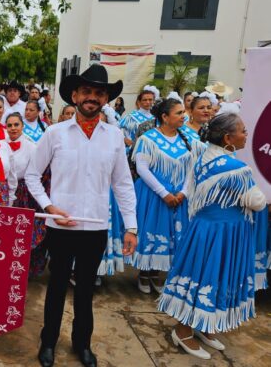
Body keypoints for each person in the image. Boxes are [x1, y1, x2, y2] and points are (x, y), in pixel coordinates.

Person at [25, 64, 137, 367]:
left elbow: (123, 184)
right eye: (86, 91)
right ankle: (48, 342)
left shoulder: (114, 137)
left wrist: (132, 227)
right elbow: (32, 175)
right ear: (74, 95)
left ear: (105, 100)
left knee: (86, 291)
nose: (92, 97)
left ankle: (82, 344)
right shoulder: (55, 133)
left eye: (99, 93)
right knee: (57, 287)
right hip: (61, 226)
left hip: (95, 227)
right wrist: (48, 207)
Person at [157, 113, 266, 360]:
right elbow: (257, 202)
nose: (246, 134)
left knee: (204, 275)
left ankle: (205, 325)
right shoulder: (237, 168)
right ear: (228, 138)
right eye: (243, 130)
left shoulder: (205, 158)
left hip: (204, 229)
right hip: (224, 232)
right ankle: (183, 331)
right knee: (210, 276)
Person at [129, 98, 195, 294]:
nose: (184, 116)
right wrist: (164, 193)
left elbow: (192, 169)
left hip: (178, 197)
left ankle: (158, 273)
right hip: (153, 195)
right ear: (165, 117)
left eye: (184, 112)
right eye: (178, 113)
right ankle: (144, 272)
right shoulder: (148, 139)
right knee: (151, 230)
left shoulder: (188, 140)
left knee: (171, 235)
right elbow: (142, 169)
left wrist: (183, 192)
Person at [5, 112, 47, 276]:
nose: (13, 128)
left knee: (25, 231)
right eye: (10, 125)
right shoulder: (1, 145)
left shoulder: (31, 146)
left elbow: (36, 172)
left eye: (16, 124)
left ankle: (26, 269)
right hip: (7, 189)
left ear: (22, 126)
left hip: (25, 193)